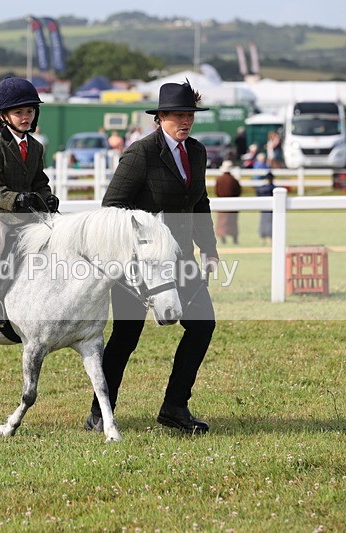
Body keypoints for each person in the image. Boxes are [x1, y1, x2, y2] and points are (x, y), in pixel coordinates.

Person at [84, 80, 218, 435]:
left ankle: (175, 406)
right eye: (177, 115)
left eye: (189, 114)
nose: (184, 121)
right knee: (127, 336)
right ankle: (100, 411)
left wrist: (210, 248)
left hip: (183, 260)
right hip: (139, 265)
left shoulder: (198, 152)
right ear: (160, 117)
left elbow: (199, 203)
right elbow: (111, 207)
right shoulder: (140, 153)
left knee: (202, 325)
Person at [0, 77, 59, 328]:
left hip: (26, 213)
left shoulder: (35, 147)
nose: (25, 117)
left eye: (30, 111)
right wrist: (16, 199)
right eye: (18, 112)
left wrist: (47, 197)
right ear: (3, 116)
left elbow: (39, 181)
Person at [214, 160, 242, 244]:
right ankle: (234, 239)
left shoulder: (219, 179)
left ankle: (223, 238)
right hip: (233, 204)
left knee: (222, 221)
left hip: (221, 203)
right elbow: (238, 192)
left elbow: (217, 191)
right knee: (232, 221)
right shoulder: (234, 180)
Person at [256, 172, 276, 245]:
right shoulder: (272, 188)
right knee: (269, 223)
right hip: (270, 209)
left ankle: (263, 238)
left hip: (263, 208)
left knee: (263, 222)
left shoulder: (262, 188)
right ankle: (269, 238)